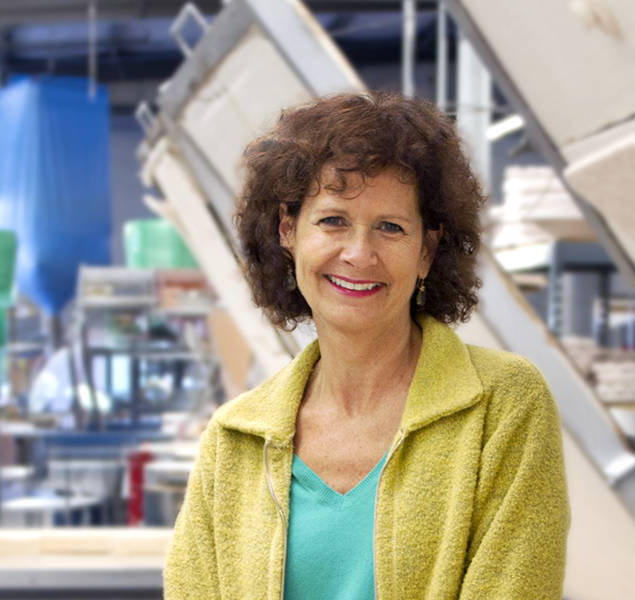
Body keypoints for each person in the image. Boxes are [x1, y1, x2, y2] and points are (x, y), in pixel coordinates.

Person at [164, 91, 569, 599]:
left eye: (390, 228)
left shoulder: (503, 406)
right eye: (333, 220)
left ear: (427, 250)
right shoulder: (234, 438)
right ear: (288, 231)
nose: (358, 254)